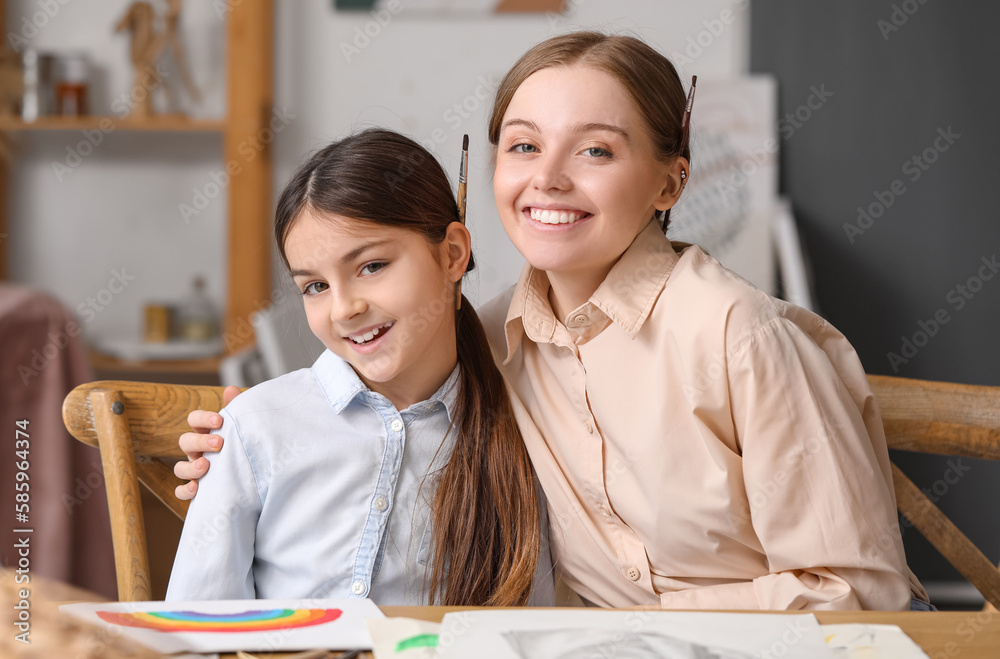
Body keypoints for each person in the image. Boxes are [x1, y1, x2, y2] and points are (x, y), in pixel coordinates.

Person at [176, 32, 927, 611]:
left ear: (671, 179)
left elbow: (860, 594)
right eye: (525, 145)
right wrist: (251, 431)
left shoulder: (740, 336)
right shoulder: (493, 343)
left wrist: (635, 626)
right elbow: (378, 398)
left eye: (595, 149)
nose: (548, 179)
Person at [166, 129, 550, 607]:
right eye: (315, 287)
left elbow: (533, 628)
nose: (344, 309)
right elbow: (196, 626)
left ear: (453, 253)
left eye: (371, 266)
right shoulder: (251, 429)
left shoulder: (523, 430)